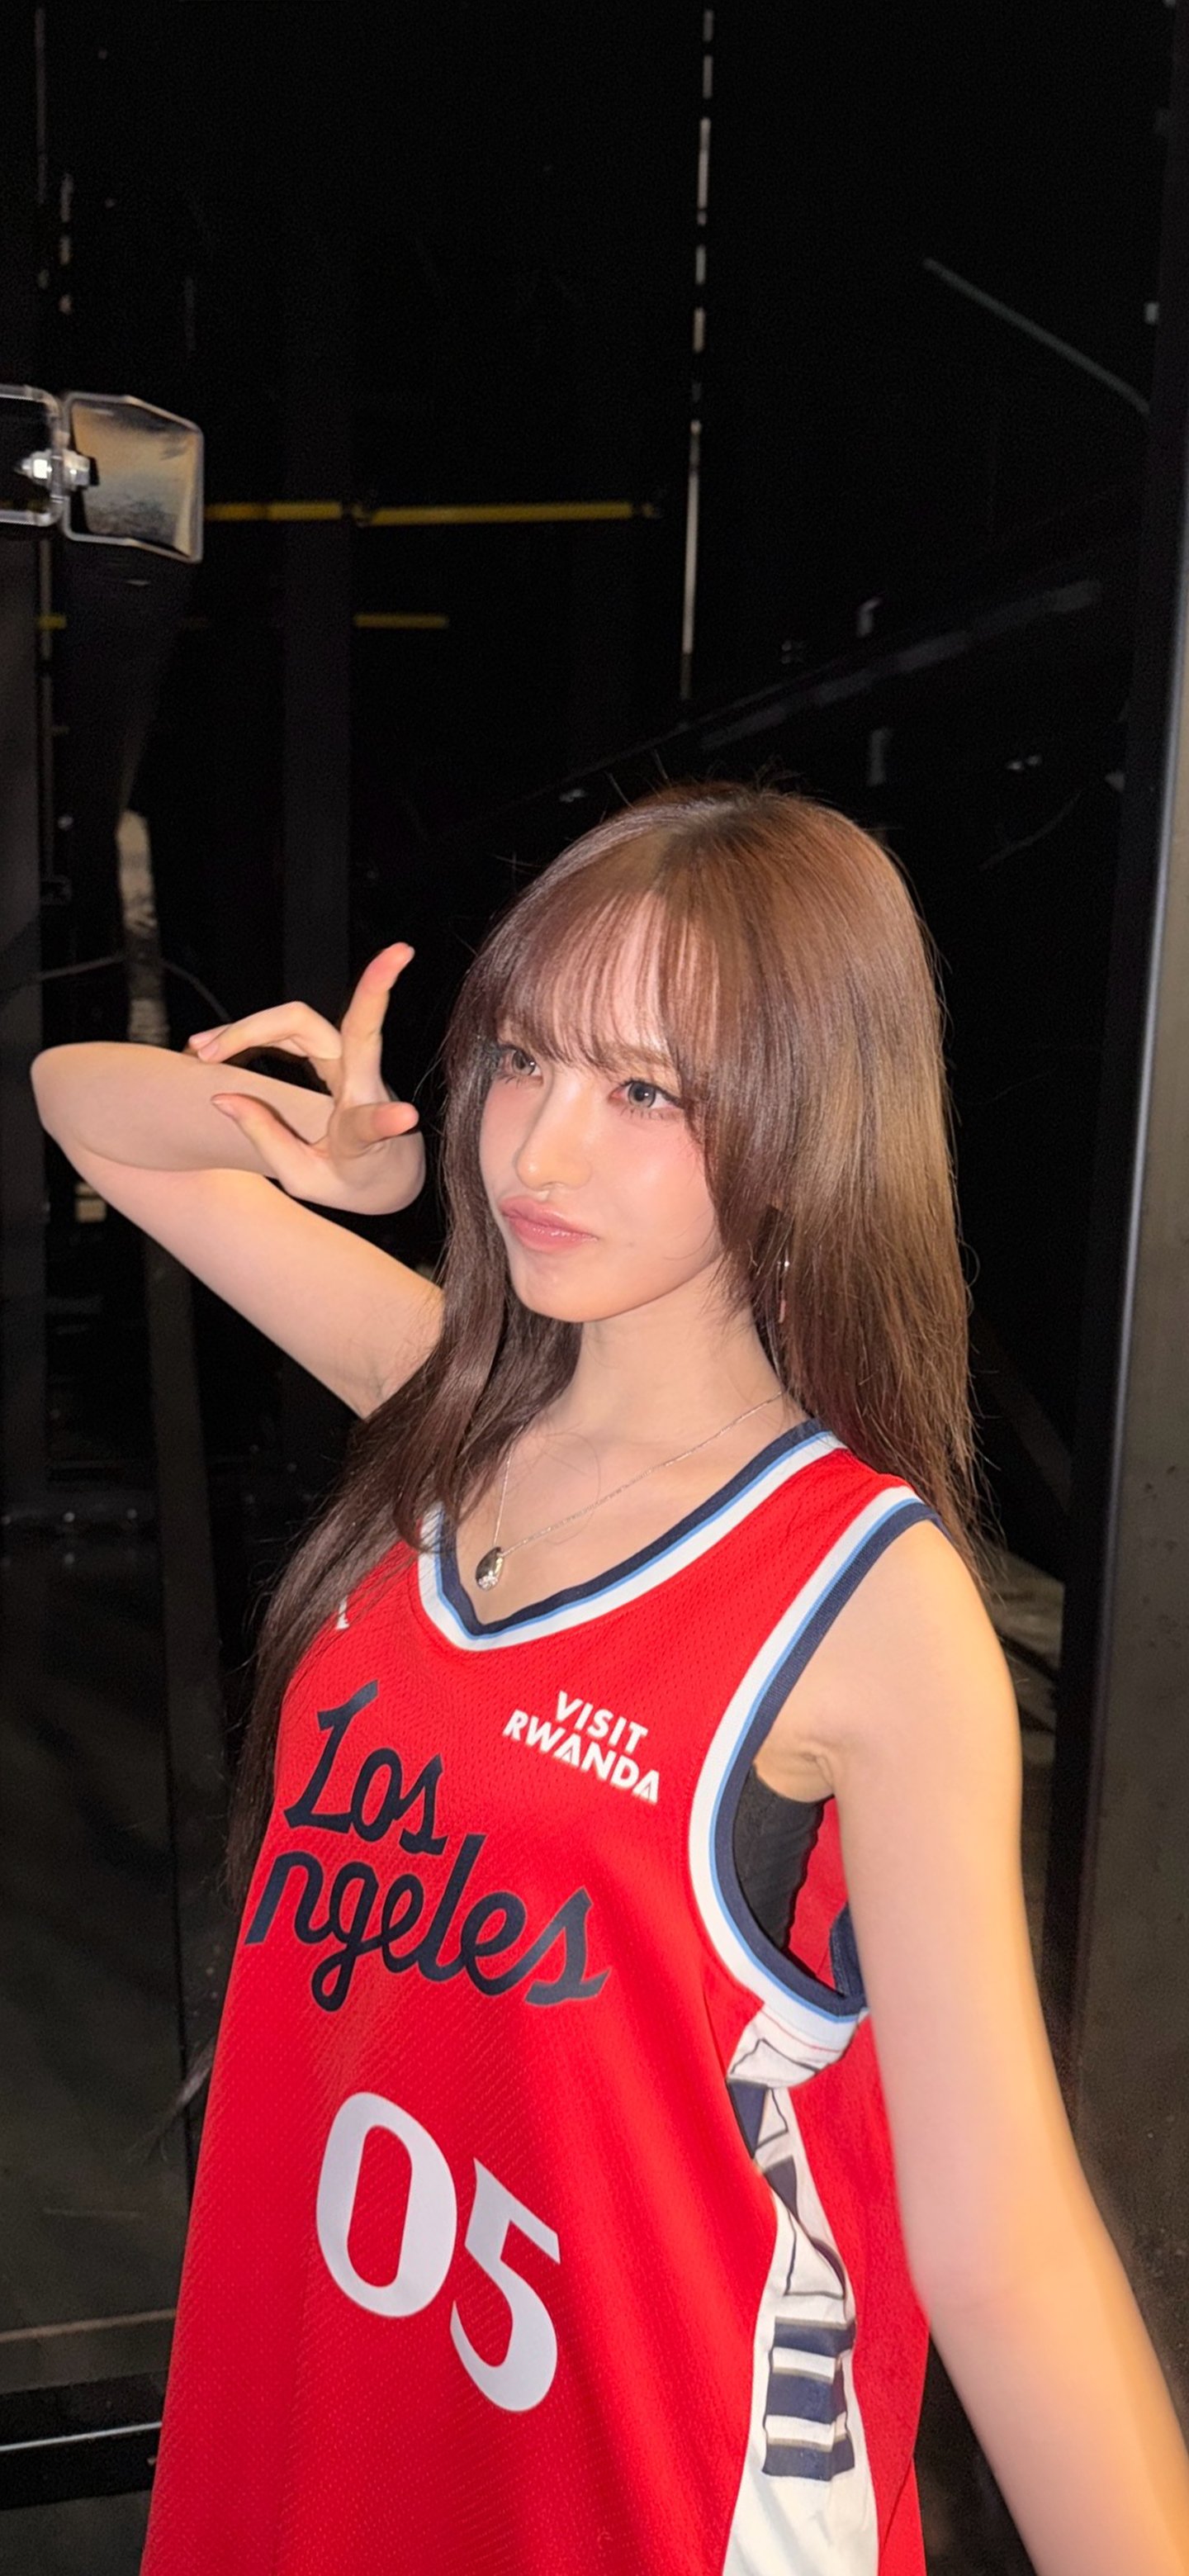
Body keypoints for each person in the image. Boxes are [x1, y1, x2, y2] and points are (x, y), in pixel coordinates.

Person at [31, 781, 1189, 2576]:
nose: (540, 1154)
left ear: (805, 1121)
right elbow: (82, 1105)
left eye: (646, 1091)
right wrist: (324, 1156)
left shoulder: (861, 1598)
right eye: (523, 1061)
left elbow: (1004, 2244)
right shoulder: (440, 1402)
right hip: (331, 2411)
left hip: (642, 2484)